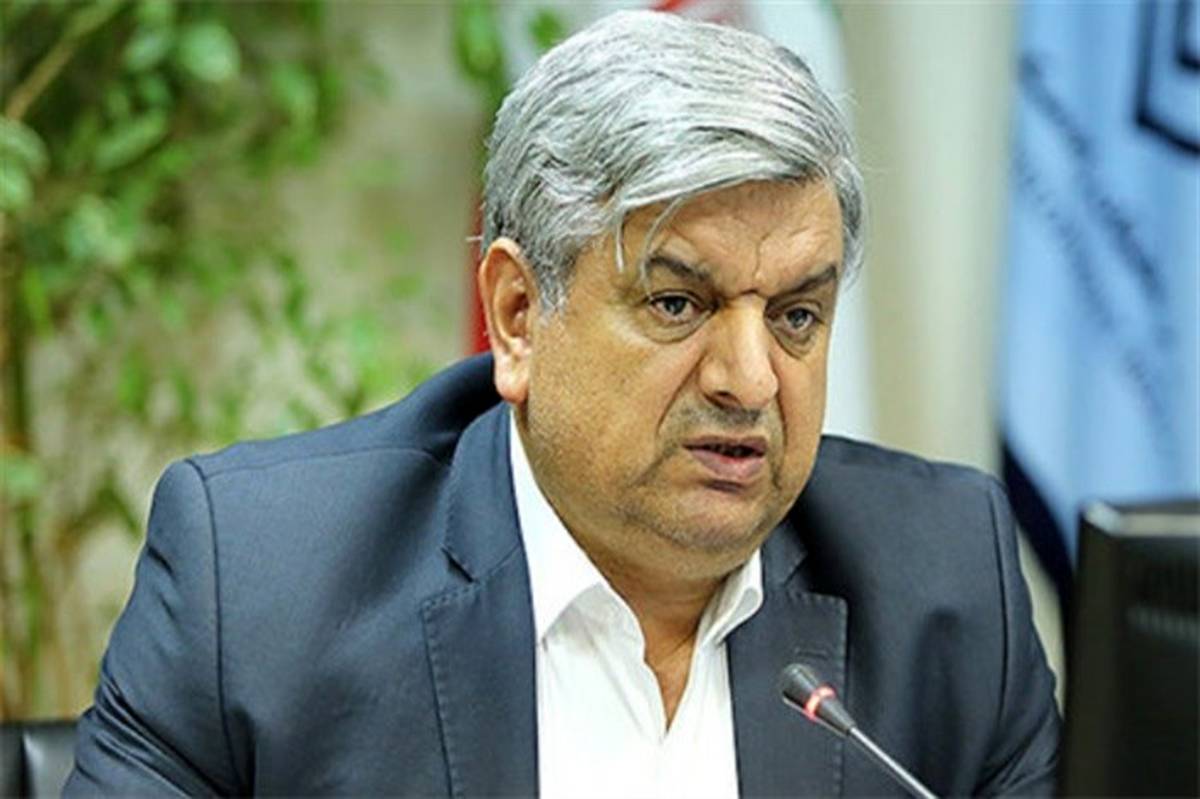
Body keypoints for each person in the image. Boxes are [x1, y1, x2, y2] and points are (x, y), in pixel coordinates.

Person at [66, 11, 1060, 797]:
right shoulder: (262, 588)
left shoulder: (944, 583)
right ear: (517, 317)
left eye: (796, 315)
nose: (751, 380)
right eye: (678, 304)